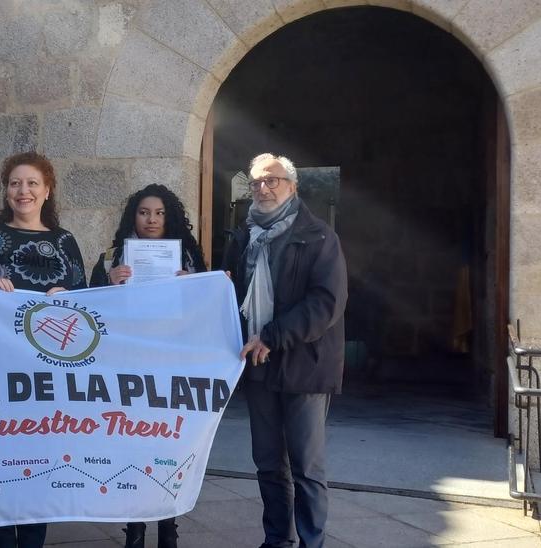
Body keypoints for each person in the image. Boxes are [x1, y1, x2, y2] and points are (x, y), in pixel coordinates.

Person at [0, 151, 86, 548]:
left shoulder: (65, 241)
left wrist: (69, 295)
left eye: (31, 183)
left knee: (39, 461)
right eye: (15, 183)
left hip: (49, 374)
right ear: (6, 190)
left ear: (47, 191)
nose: (22, 191)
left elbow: (86, 301)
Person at [223, 153, 348, 548]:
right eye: (256, 182)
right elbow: (229, 296)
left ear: (292, 186)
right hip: (258, 366)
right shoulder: (242, 238)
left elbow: (326, 304)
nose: (263, 189)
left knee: (306, 467)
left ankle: (312, 542)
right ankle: (277, 540)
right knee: (267, 464)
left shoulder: (320, 236)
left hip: (304, 366)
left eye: (273, 181)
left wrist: (272, 336)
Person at [89, 183, 205, 548]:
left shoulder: (187, 256)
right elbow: (91, 307)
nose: (151, 220)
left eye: (158, 213)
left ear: (168, 217)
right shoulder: (111, 257)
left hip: (171, 365)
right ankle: (134, 531)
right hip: (128, 367)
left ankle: (168, 532)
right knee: (133, 450)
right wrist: (108, 283)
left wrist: (195, 285)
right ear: (133, 217)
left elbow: (206, 308)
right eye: (144, 212)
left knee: (168, 452)